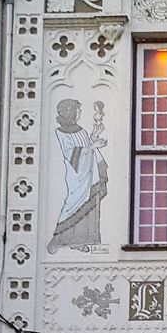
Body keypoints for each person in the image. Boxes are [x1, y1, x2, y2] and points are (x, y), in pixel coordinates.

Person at [48, 98, 108, 253]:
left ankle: (84, 239)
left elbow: (86, 144)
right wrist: (92, 146)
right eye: (78, 109)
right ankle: (60, 239)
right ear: (70, 112)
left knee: (90, 205)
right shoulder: (61, 133)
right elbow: (73, 155)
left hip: (90, 174)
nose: (80, 112)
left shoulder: (81, 130)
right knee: (73, 205)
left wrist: (96, 134)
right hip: (78, 177)